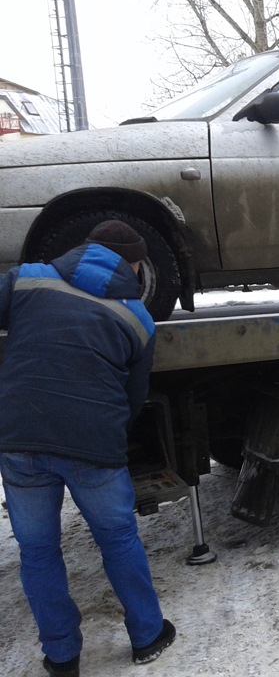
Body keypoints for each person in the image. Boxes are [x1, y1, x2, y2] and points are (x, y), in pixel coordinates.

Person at [0, 220, 176, 676]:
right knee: (118, 539)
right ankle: (147, 635)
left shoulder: (29, 278)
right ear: (134, 266)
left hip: (19, 438)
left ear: (83, 250)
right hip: (92, 445)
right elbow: (133, 397)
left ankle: (61, 657)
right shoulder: (137, 318)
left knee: (37, 551)